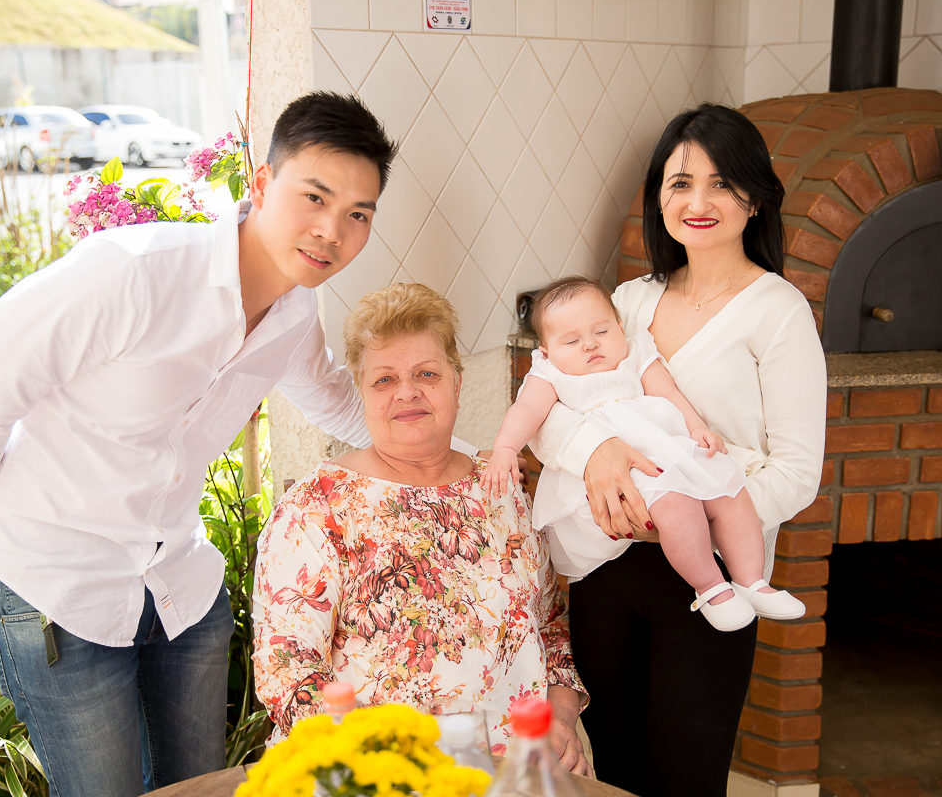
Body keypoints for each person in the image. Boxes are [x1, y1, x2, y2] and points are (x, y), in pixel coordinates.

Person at [0, 92, 469, 797]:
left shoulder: (294, 313)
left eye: (358, 214)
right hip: (57, 585)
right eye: (315, 196)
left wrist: (462, 458)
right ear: (264, 185)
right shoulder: (129, 272)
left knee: (202, 790)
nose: (332, 230)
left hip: (178, 589)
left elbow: (338, 401)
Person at [527, 104, 827, 795]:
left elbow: (797, 472)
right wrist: (599, 451)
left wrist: (696, 509)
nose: (699, 201)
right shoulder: (628, 301)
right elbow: (550, 406)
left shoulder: (777, 311)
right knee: (618, 772)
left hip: (710, 578)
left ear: (756, 199)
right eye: (680, 182)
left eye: (722, 183)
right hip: (607, 565)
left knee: (687, 778)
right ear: (658, 195)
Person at [251, 283, 590, 774]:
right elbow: (289, 674)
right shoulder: (317, 508)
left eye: (426, 374)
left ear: (457, 381)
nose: (407, 392)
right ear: (362, 392)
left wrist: (560, 718)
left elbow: (549, 625)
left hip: (515, 766)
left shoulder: (502, 489)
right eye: (384, 380)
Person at [485, 276, 806, 632]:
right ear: (546, 351)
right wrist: (505, 448)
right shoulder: (551, 373)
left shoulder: (635, 352)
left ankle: (752, 581)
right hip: (621, 475)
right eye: (572, 341)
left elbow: (668, 392)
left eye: (602, 331)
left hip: (667, 452)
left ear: (620, 327)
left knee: (729, 489)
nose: (590, 344)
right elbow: (527, 411)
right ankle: (711, 589)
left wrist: (697, 427)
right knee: (676, 504)